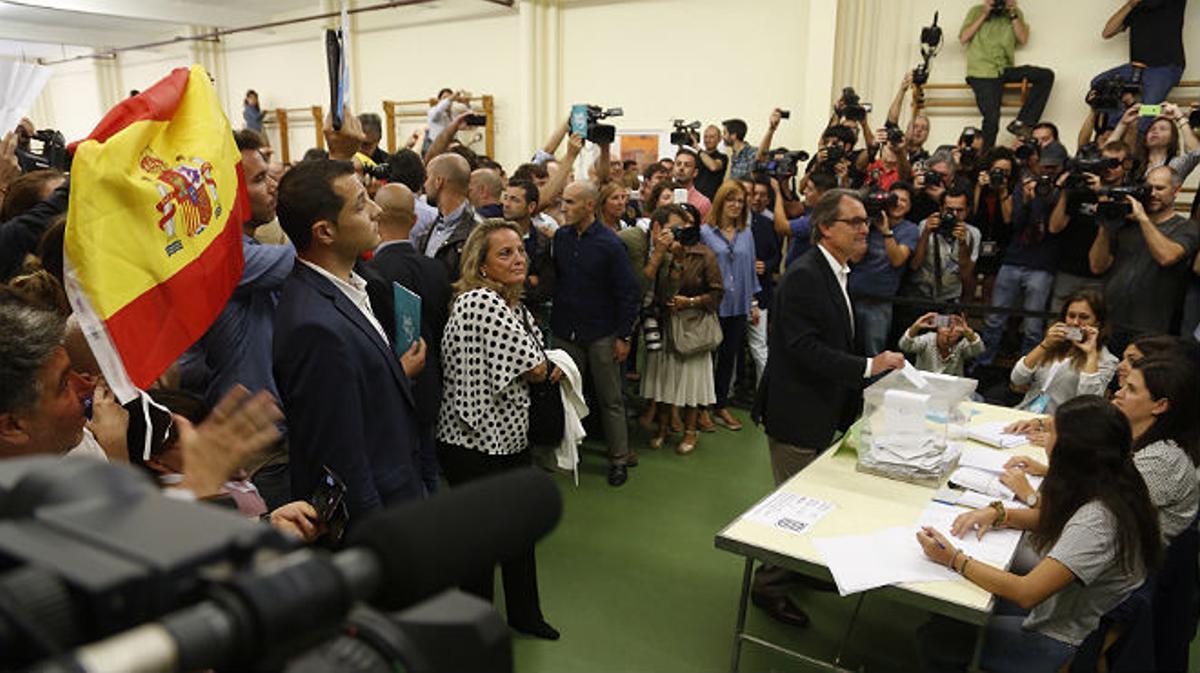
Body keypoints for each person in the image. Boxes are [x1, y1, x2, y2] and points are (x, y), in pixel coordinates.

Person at [916, 396, 1161, 673]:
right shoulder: (1113, 480)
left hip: (1057, 636)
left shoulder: (1099, 521)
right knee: (954, 608)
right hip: (1062, 609)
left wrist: (954, 559)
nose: (1043, 439)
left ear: (1070, 451)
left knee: (942, 634)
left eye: (1050, 432)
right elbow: (1054, 518)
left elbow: (1026, 593)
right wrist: (1001, 514)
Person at [752, 189, 905, 628]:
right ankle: (769, 585)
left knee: (814, 500)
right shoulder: (805, 275)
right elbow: (803, 349)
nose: (865, 229)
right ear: (825, 228)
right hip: (797, 413)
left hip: (821, 410)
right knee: (795, 508)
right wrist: (870, 366)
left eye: (865, 222)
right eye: (854, 222)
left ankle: (797, 571)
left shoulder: (835, 271)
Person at [272, 159, 431, 516]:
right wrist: (380, 541)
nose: (376, 211)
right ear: (325, 232)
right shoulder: (313, 327)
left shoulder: (352, 286)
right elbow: (342, 460)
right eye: (361, 205)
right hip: (382, 520)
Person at [437, 219, 560, 641]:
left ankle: (524, 613)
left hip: (504, 438)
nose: (518, 258)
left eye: (520, 250)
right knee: (480, 543)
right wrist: (553, 368)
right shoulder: (483, 302)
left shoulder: (511, 304)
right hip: (473, 443)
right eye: (504, 253)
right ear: (481, 264)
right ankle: (477, 630)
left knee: (517, 529)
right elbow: (537, 366)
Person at [182, 131, 292, 508]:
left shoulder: (250, 250)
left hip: (266, 429)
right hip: (253, 441)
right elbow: (307, 254)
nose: (272, 187)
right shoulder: (224, 260)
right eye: (260, 180)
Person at [551, 181, 640, 486]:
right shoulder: (561, 238)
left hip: (602, 333)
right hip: (566, 331)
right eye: (564, 202)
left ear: (589, 206)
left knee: (610, 399)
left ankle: (619, 459)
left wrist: (624, 336)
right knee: (563, 395)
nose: (564, 208)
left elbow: (628, 293)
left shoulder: (611, 244)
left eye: (571, 202)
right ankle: (564, 452)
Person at [366, 182, 451, 491]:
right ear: (414, 221)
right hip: (430, 383)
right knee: (428, 467)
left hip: (388, 389)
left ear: (374, 217)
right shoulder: (435, 269)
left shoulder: (368, 273)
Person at [640, 205, 723, 454]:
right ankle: (663, 428)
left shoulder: (705, 255)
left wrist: (691, 302)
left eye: (687, 227)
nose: (682, 232)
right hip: (666, 322)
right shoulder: (662, 252)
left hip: (693, 327)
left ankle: (690, 431)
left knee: (692, 382)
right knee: (664, 380)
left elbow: (718, 293)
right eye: (678, 227)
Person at [1089, 165, 1200, 348]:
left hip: (1151, 328)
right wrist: (1105, 224)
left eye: (1160, 188)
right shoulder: (1125, 224)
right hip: (1111, 320)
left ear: (1176, 190)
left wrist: (1143, 218)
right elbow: (1096, 266)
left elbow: (1167, 256)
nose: (1153, 194)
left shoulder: (1186, 227)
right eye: (1149, 188)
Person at [978, 168, 1061, 365]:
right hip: (1013, 261)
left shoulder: (1056, 196)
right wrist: (1025, 199)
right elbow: (1011, 220)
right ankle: (983, 362)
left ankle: (1027, 368)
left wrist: (1045, 197)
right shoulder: (1018, 193)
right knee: (994, 319)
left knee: (1033, 325)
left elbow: (1055, 226)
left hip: (1042, 265)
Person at [701, 182, 759, 431]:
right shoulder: (705, 232)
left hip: (738, 306)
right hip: (713, 305)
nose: (736, 205)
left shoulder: (747, 233)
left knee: (729, 358)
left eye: (740, 201)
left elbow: (750, 269)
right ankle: (701, 407)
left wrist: (753, 302)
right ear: (721, 202)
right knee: (706, 357)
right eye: (731, 200)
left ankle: (720, 404)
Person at [1047, 140, 1130, 311]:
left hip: (1101, 276)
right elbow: (1054, 227)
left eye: (1113, 164)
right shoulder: (1081, 190)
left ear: (1126, 165)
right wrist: (1065, 192)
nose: (1107, 168)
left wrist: (1102, 195)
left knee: (1090, 328)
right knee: (1058, 327)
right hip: (1068, 270)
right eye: (1103, 162)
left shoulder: (1127, 197)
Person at [959, 0, 1055, 147]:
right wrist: (984, 13)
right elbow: (963, 37)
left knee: (1045, 76)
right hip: (981, 71)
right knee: (992, 119)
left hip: (1003, 69)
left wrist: (1012, 13)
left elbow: (1023, 39)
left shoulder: (1014, 13)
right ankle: (985, 159)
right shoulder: (976, 11)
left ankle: (1023, 123)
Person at [1010, 289, 1118, 414]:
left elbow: (1088, 401)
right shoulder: (1053, 344)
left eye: (1084, 317)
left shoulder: (1107, 360)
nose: (1075, 323)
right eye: (1071, 316)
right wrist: (1044, 345)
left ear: (1098, 322)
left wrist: (1091, 354)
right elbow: (1017, 379)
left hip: (1061, 424)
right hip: (1026, 413)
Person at [1094, 0, 1188, 132]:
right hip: (1136, 68)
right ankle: (1117, 128)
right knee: (1098, 84)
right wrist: (1131, 4)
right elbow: (1107, 32)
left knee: (1147, 114)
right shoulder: (1137, 7)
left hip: (1164, 68)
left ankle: (1136, 145)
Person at [848, 182, 920, 355]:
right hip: (853, 296)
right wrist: (867, 227)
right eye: (894, 199)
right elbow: (855, 257)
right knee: (848, 348)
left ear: (910, 206)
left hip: (880, 302)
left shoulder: (910, 229)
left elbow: (898, 260)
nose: (898, 203)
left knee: (875, 352)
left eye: (904, 200)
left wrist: (886, 231)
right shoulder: (868, 223)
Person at [906, 183, 981, 305]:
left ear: (967, 210)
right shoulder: (925, 225)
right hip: (920, 293)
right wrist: (926, 233)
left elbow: (966, 274)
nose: (954, 215)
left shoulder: (973, 234)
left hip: (950, 296)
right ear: (941, 209)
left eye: (960, 210)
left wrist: (962, 244)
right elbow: (915, 265)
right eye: (950, 210)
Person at [417, 154, 478, 282]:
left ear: (439, 182)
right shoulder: (432, 226)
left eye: (427, 178)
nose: (425, 185)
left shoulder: (477, 233)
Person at [899, 312, 985, 376]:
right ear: (938, 328)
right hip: (924, 385)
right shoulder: (928, 339)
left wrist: (969, 332)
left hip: (952, 388)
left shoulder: (962, 344)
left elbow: (979, 349)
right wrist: (916, 327)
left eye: (957, 326)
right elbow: (904, 345)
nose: (950, 330)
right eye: (946, 325)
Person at [886, 71, 932, 164]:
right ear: (906, 130)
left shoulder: (928, 160)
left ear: (927, 135)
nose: (919, 130)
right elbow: (891, 120)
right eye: (915, 126)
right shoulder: (896, 145)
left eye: (924, 128)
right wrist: (902, 90)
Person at [672, 148, 712, 222]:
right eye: (678, 164)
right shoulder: (664, 196)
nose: (681, 168)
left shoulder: (703, 203)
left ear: (695, 172)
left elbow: (705, 232)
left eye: (687, 165)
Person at [694, 124, 728, 200]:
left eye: (711, 137)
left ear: (719, 139)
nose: (707, 140)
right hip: (695, 199)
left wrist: (697, 148)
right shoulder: (696, 156)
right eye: (705, 137)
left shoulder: (722, 157)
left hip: (712, 200)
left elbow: (713, 167)